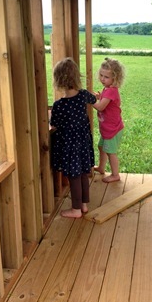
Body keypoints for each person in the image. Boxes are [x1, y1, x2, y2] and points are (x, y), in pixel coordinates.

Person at [50, 57, 97, 218]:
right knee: (84, 172)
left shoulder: (59, 105)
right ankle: (83, 205)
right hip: (83, 143)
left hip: (70, 146)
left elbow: (54, 124)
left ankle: (75, 209)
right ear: (77, 77)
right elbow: (94, 99)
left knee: (74, 175)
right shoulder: (83, 95)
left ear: (58, 80)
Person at [92, 57, 125, 183]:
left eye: (106, 77)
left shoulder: (111, 91)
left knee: (111, 152)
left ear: (114, 79)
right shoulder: (107, 89)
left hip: (113, 129)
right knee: (102, 147)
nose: (102, 78)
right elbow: (107, 101)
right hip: (107, 128)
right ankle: (101, 167)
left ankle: (115, 174)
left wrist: (91, 101)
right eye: (101, 75)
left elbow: (100, 106)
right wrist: (100, 96)